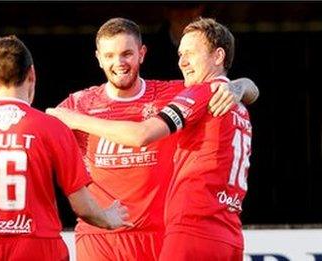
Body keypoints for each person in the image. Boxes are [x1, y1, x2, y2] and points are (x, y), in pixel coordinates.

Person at [52, 17, 257, 261]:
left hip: (160, 235)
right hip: (100, 236)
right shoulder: (78, 103)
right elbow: (44, 153)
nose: (119, 63)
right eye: (109, 56)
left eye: (127, 53)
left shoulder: (178, 92)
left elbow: (144, 133)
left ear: (142, 53)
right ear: (98, 58)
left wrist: (241, 86)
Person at [0, 35, 132, 261]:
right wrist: (108, 218)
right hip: (38, 247)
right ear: (32, 74)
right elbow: (82, 206)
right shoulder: (52, 127)